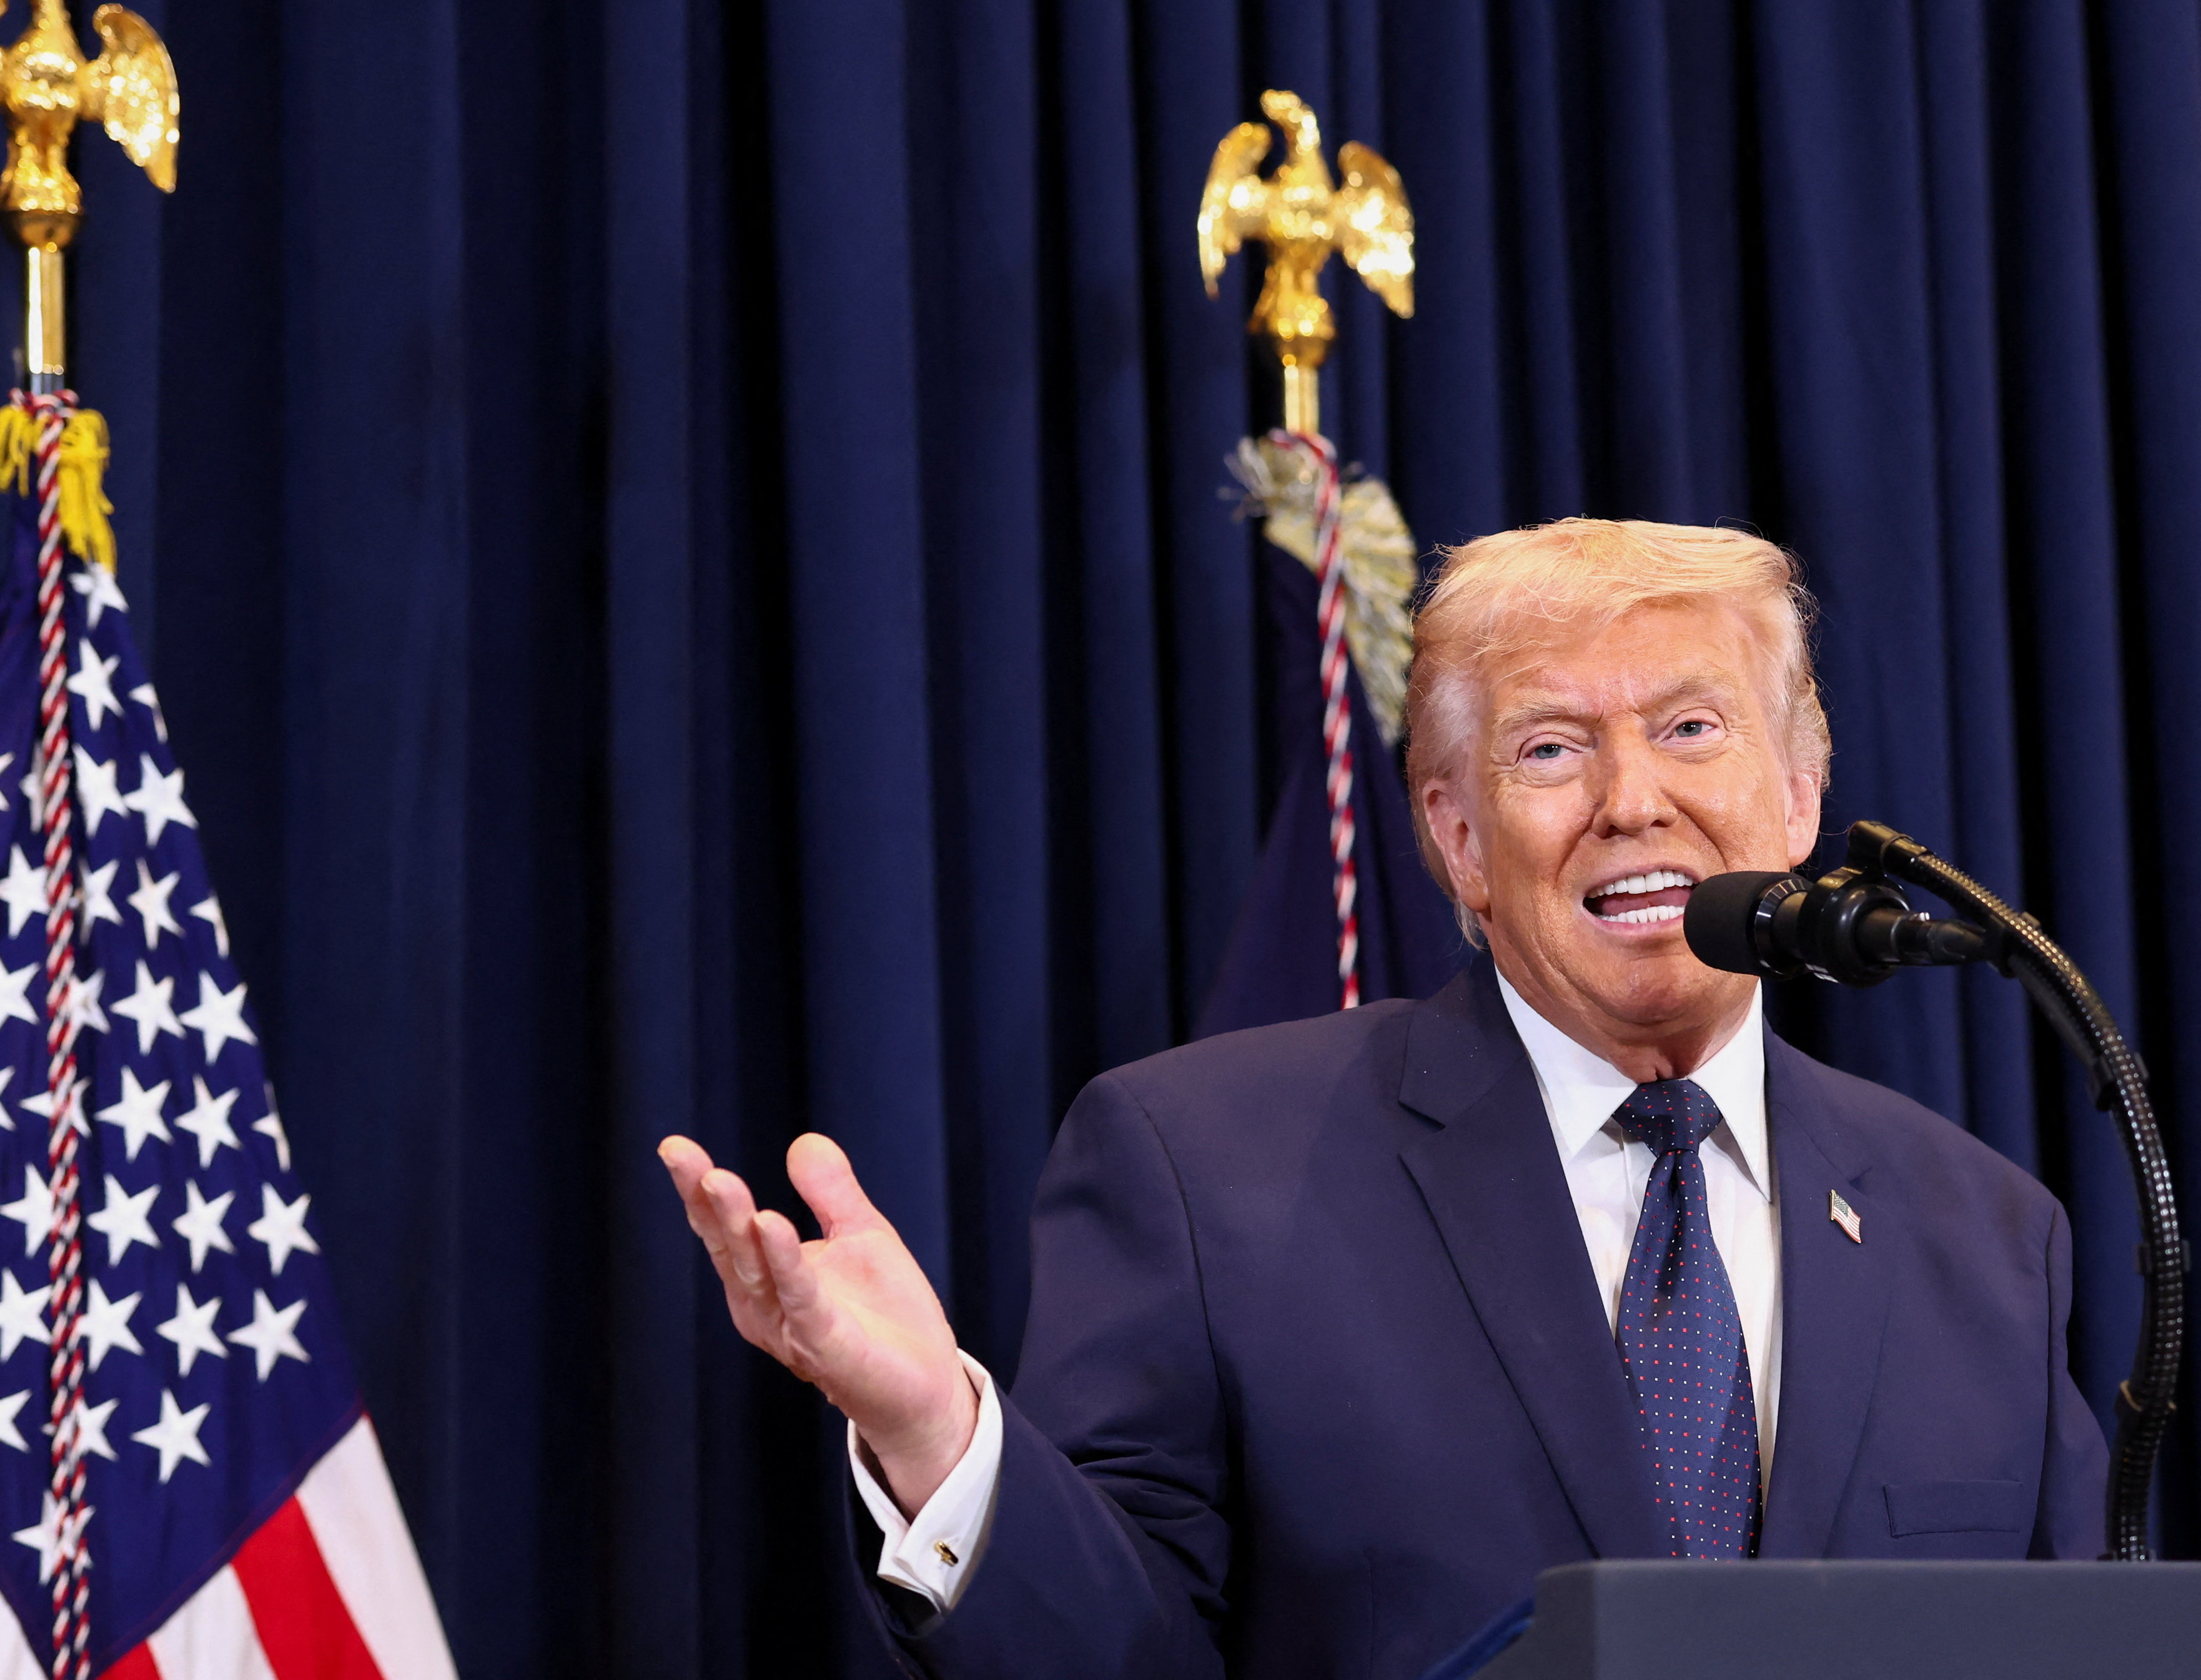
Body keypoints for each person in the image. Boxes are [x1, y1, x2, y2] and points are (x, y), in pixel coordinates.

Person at [660, 519, 2107, 1680]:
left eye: (1688, 729)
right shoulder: (1199, 1167)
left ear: (1798, 797)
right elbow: (1116, 1655)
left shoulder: (1982, 1235)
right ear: (1456, 836)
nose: (1629, 800)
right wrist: (937, 1441)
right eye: (1549, 748)